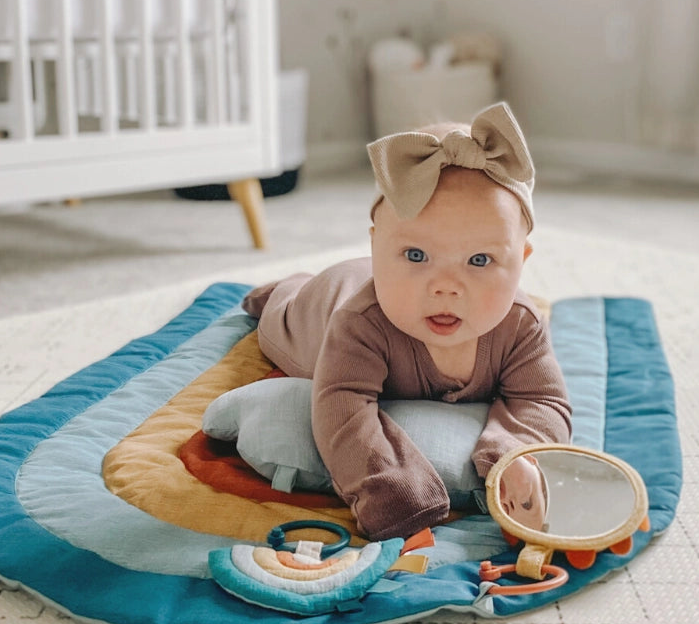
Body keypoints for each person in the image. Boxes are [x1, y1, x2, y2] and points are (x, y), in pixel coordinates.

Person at [241, 102, 571, 540]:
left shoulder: (521, 325)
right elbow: (343, 415)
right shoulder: (358, 325)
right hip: (322, 307)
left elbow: (544, 401)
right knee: (287, 307)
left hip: (375, 284)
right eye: (416, 255)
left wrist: (514, 456)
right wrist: (395, 494)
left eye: (479, 260)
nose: (446, 287)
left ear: (521, 261)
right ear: (376, 246)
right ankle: (281, 290)